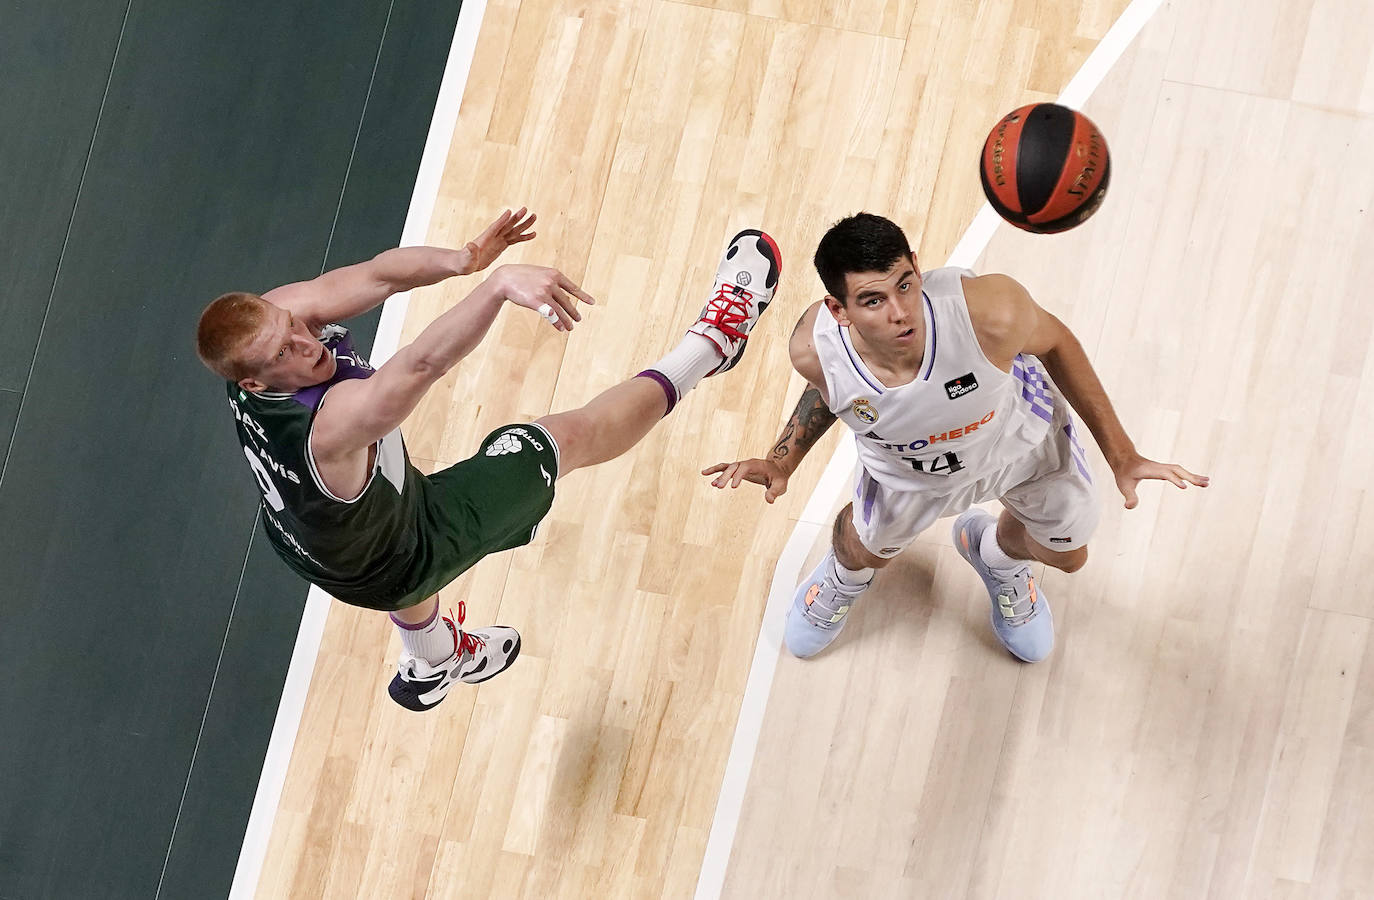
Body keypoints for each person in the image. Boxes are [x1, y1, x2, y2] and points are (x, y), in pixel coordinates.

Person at [197, 209, 781, 709]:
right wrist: (497, 285)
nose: (305, 340)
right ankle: (713, 343)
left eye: (294, 326)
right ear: (256, 378)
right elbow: (422, 365)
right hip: (403, 555)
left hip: (319, 543)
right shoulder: (331, 425)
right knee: (557, 440)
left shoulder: (269, 336)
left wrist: (462, 259)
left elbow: (375, 274)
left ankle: (433, 661)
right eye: (285, 351)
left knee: (384, 517)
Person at [703, 212, 1206, 661]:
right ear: (839, 310)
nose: (900, 312)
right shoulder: (813, 350)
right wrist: (782, 461)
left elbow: (1057, 344)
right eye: (873, 300)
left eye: (905, 285)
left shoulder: (989, 311)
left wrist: (1122, 455)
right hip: (910, 475)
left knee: (1071, 556)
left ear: (918, 268)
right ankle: (842, 580)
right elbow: (830, 392)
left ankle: (996, 556)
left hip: (1022, 448)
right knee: (865, 550)